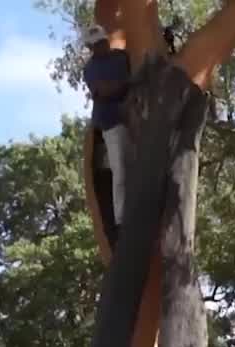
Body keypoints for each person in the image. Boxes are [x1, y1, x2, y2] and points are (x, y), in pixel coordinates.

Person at [82, 24, 132, 247]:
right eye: (96, 44)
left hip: (133, 118)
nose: (101, 46)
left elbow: (120, 85)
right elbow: (103, 91)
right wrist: (127, 85)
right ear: (89, 47)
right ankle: (121, 220)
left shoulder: (121, 57)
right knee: (120, 168)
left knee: (133, 163)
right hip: (109, 121)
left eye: (103, 41)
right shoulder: (89, 69)